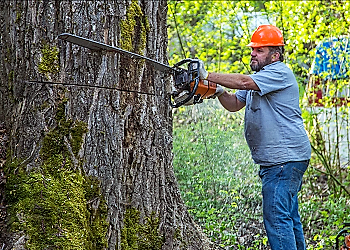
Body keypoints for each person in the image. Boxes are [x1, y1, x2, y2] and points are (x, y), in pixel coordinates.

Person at [199, 24, 311, 250]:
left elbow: (243, 82)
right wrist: (219, 91)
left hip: (283, 160)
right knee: (288, 217)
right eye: (253, 49)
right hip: (281, 160)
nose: (252, 53)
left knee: (277, 220)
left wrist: (208, 75)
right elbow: (234, 104)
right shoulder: (260, 78)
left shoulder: (279, 72)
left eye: (259, 50)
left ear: (275, 55)